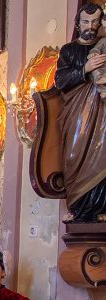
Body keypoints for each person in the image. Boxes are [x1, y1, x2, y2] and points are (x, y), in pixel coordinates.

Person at [55, 4, 106, 222]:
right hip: (77, 115)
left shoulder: (104, 46)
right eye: (85, 21)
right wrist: (86, 68)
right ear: (78, 23)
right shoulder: (68, 50)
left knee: (102, 156)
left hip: (103, 114)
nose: (90, 26)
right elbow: (60, 81)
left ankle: (101, 208)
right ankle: (77, 206)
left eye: (95, 22)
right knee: (74, 156)